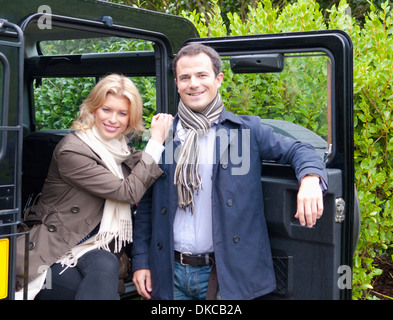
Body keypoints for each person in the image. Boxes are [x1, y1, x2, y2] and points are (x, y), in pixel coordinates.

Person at [131, 44, 328, 300]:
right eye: (185, 77)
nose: (194, 84)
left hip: (225, 275)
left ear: (218, 79)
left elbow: (300, 150)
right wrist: (141, 261)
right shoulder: (163, 136)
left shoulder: (246, 131)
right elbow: (146, 204)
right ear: (177, 84)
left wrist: (311, 179)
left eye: (202, 75)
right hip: (169, 272)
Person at [15, 74, 173, 300]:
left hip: (91, 247)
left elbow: (146, 167)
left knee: (106, 264)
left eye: (122, 113)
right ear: (93, 110)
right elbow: (128, 192)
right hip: (52, 252)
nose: (113, 120)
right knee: (94, 286)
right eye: (106, 110)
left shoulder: (119, 149)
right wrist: (156, 141)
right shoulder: (72, 150)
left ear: (130, 118)